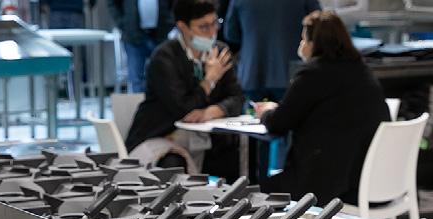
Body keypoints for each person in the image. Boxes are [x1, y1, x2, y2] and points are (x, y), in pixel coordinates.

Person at [254, 11, 389, 205]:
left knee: (256, 190)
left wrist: (267, 111)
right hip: (371, 183)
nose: (301, 45)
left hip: (326, 187)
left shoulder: (312, 75)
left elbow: (279, 123)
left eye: (303, 39)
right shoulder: (362, 71)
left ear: (314, 43)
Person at [125, 0, 245, 181]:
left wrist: (211, 112)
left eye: (215, 23)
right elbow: (184, 108)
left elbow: (237, 97)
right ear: (183, 26)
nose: (212, 32)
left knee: (240, 154)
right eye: (204, 27)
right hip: (161, 136)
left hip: (204, 138)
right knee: (174, 164)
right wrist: (209, 80)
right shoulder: (164, 57)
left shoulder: (220, 51)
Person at [224, 0, 320, 102]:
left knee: (251, 111)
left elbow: (231, 34)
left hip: (252, 71)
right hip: (289, 72)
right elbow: (319, 26)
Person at [107, 0, 175, 93]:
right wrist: (123, 23)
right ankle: (139, 102)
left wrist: (170, 21)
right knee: (136, 79)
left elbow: (174, 4)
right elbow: (112, 3)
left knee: (163, 76)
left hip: (160, 34)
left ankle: (161, 102)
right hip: (133, 34)